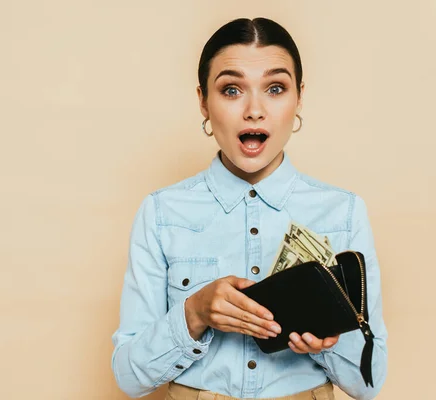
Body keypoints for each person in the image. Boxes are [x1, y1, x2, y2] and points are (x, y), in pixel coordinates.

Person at [111, 17, 387, 400]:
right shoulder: (161, 212)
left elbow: (368, 384)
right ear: (203, 102)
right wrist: (195, 313)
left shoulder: (344, 212)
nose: (255, 110)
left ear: (299, 97)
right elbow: (129, 378)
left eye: (275, 88)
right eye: (231, 90)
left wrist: (329, 343)